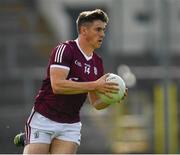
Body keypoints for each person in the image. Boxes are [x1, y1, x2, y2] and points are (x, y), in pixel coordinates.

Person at [14, 9, 127, 154]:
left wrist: (112, 97)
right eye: (98, 29)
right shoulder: (65, 50)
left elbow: (96, 103)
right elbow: (57, 86)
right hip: (44, 118)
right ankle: (31, 138)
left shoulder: (97, 63)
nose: (102, 34)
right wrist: (95, 85)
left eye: (103, 30)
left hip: (70, 125)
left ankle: (32, 139)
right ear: (84, 30)